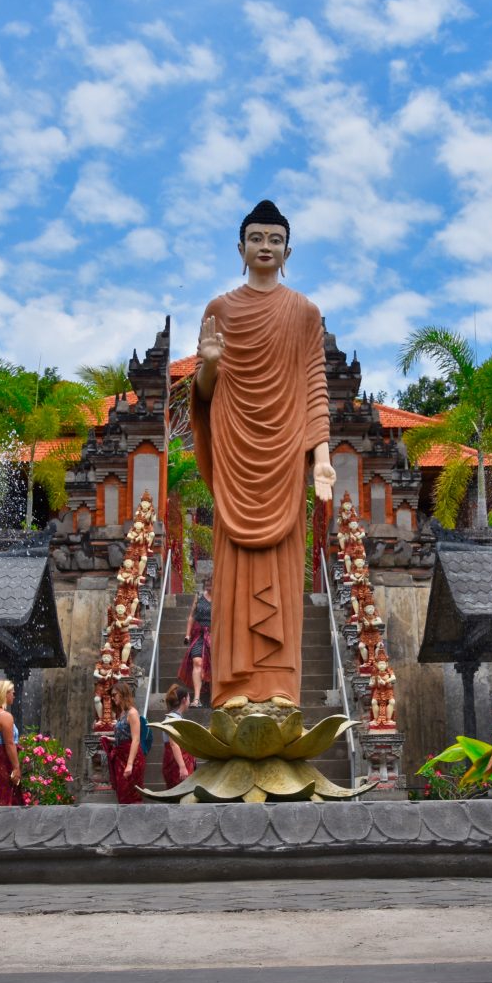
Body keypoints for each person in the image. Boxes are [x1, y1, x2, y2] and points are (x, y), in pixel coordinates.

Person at [191, 199, 335, 711]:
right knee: (233, 570)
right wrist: (208, 365)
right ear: (241, 247)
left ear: (288, 249)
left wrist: (321, 455)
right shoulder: (220, 309)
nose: (266, 247)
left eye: (275, 240)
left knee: (281, 568)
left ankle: (279, 688)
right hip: (235, 454)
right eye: (257, 238)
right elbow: (205, 396)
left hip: (283, 459)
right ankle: (232, 687)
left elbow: (314, 383)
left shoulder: (304, 311)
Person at [105, 681, 145, 805]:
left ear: (122, 694)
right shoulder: (121, 714)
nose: (113, 698)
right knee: (122, 795)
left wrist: (130, 764)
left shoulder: (132, 713)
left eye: (114, 694)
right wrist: (111, 739)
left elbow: (136, 739)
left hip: (131, 757)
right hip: (120, 756)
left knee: (131, 795)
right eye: (112, 695)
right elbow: (124, 736)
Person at [179, 582, 213, 707]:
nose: (209, 585)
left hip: (215, 634)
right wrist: (187, 634)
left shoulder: (222, 596)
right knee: (197, 661)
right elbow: (192, 616)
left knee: (213, 664)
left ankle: (214, 697)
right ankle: (197, 698)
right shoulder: (199, 596)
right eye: (207, 582)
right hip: (199, 634)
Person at [161, 683, 196, 790]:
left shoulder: (172, 717)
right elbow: (174, 743)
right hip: (177, 761)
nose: (189, 701)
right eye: (189, 698)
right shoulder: (174, 719)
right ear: (184, 700)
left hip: (174, 759)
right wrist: (182, 767)